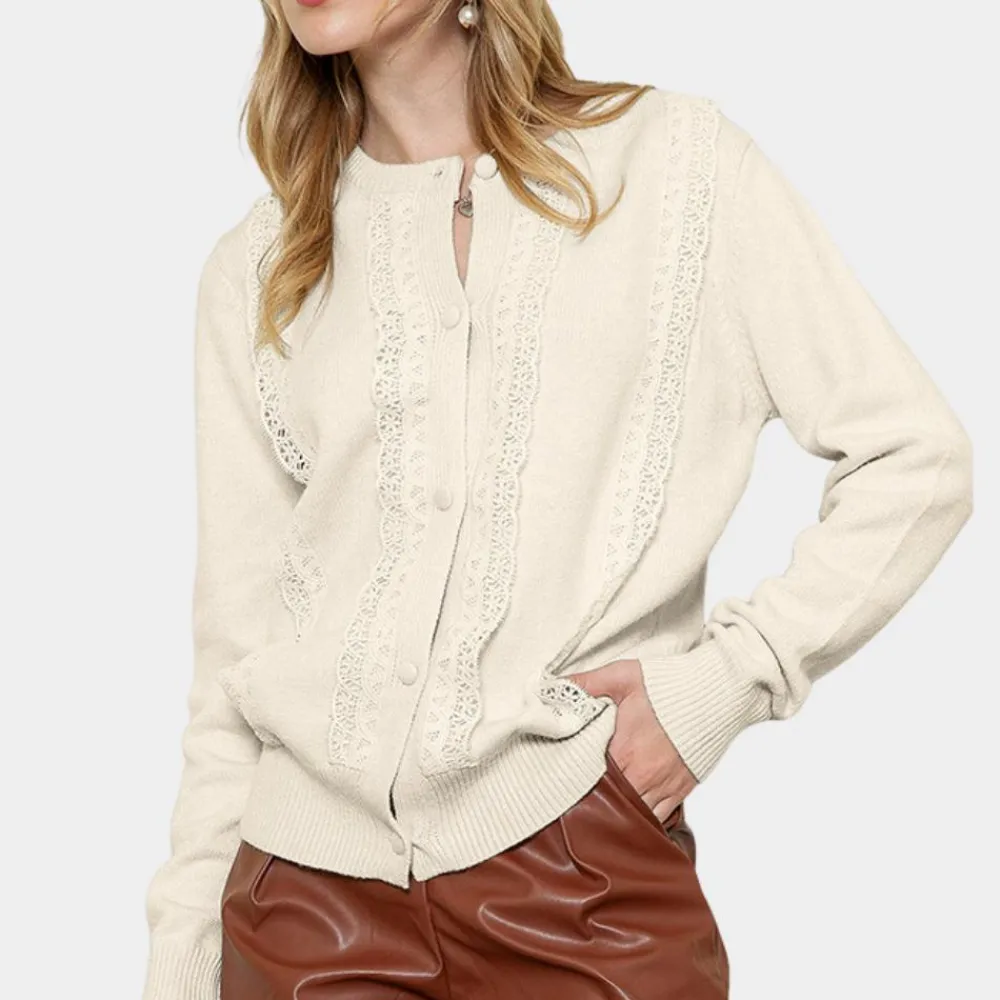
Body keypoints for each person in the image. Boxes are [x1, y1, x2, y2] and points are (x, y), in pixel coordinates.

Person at [141, 1, 974, 997]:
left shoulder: (674, 172)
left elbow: (915, 457)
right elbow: (236, 657)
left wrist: (726, 683)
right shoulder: (263, 266)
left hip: (584, 874)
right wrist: (180, 966)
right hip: (304, 910)